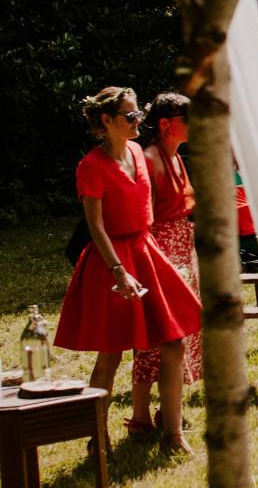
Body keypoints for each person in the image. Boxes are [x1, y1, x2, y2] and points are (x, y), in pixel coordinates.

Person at [55, 87, 201, 454]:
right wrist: (118, 271)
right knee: (112, 352)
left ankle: (172, 433)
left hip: (146, 250)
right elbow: (95, 226)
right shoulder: (90, 166)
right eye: (131, 116)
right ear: (106, 121)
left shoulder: (137, 151)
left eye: (139, 114)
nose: (139, 121)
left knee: (174, 340)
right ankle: (97, 436)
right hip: (113, 261)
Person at [130, 93, 201, 437]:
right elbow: (142, 216)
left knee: (180, 336)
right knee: (154, 339)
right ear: (166, 123)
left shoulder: (176, 157)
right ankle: (140, 416)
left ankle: (166, 412)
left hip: (182, 250)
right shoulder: (149, 159)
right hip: (160, 252)